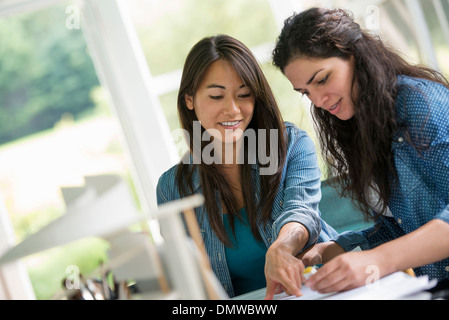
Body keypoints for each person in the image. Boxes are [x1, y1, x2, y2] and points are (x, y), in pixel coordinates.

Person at [272, 7, 449, 293]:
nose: (317, 100)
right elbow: (408, 224)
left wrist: (377, 259)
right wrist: (339, 247)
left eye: (322, 79)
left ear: (354, 56)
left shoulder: (418, 103)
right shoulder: (361, 123)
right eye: (305, 92)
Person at [156, 34, 337, 298]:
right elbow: (186, 279)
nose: (233, 110)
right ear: (189, 100)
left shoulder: (291, 145)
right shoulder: (172, 188)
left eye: (244, 95)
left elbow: (301, 212)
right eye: (217, 96)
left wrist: (282, 247)